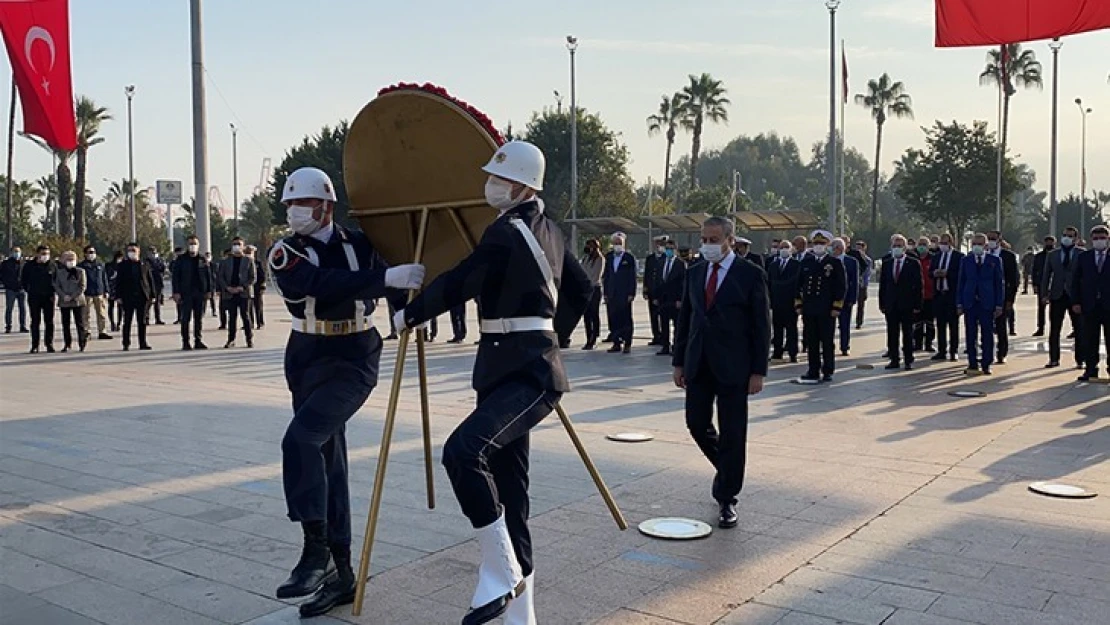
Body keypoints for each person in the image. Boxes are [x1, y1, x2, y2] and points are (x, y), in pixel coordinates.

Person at [393, 141, 591, 625]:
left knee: (463, 452)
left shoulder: (507, 232)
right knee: (513, 493)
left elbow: (463, 279)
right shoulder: (551, 231)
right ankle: (522, 618)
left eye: (499, 177)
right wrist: (552, 333)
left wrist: (411, 313)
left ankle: (500, 575)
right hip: (514, 368)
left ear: (523, 184)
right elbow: (584, 289)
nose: (491, 184)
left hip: (526, 374)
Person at [267, 167, 422, 617]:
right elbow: (323, 286)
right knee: (329, 461)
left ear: (326, 206)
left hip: (355, 356)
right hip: (309, 355)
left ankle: (314, 550)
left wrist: (407, 308)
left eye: (302, 204)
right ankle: (342, 572)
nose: (294, 213)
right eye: (290, 206)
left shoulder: (359, 243)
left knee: (302, 439)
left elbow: (395, 274)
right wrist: (388, 280)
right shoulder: (285, 252)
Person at [673, 215, 770, 529]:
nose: (708, 246)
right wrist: (678, 362)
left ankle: (727, 496)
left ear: (730, 240)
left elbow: (761, 326)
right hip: (698, 362)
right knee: (696, 424)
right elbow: (685, 320)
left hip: (734, 366)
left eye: (714, 240)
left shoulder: (750, 274)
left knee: (733, 432)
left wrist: (758, 371)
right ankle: (728, 469)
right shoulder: (695, 272)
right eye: (704, 239)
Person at [794, 230, 845, 383]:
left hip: (827, 309)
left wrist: (837, 307)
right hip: (809, 308)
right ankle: (813, 369)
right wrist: (798, 304)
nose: (818, 246)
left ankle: (828, 370)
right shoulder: (806, 262)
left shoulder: (834, 263)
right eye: (816, 243)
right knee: (811, 340)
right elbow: (798, 285)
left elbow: (841, 286)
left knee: (827, 341)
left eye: (821, 244)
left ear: (827, 245)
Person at [957, 234, 1004, 375]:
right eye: (974, 244)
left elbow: (999, 284)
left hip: (987, 302)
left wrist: (999, 304)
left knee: (987, 334)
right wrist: (959, 302)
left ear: (985, 245)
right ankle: (972, 362)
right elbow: (961, 282)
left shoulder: (994, 260)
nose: (976, 246)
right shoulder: (966, 260)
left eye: (979, 244)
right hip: (970, 302)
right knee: (970, 334)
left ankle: (986, 363)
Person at [1041, 226, 1084, 369]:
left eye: (1070, 236)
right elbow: (1046, 275)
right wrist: (1044, 294)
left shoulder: (1082, 254)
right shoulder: (1053, 254)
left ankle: (1080, 359)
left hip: (1075, 296)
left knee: (1079, 329)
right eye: (1065, 235)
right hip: (1057, 295)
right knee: (1054, 329)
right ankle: (1053, 359)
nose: (1067, 238)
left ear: (1076, 239)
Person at [879, 235, 923, 371]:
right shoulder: (887, 263)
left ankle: (908, 360)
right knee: (892, 333)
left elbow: (918, 285)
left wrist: (917, 305)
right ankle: (894, 359)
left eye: (899, 246)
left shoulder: (913, 263)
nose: (897, 248)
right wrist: (882, 303)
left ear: (905, 247)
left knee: (907, 333)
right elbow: (883, 285)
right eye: (894, 246)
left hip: (907, 304)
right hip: (891, 304)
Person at [1072, 225, 1110, 382]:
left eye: (1102, 238)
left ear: (1108, 239)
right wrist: (1076, 301)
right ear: (1090, 240)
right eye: (1096, 238)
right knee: (1090, 339)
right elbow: (1075, 281)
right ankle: (1090, 369)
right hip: (1089, 305)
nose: (1099, 241)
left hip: (1108, 305)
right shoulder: (1084, 257)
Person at [171, 235, 211, 350]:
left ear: (198, 245)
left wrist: (209, 290)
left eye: (195, 244)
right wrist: (176, 292)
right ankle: (185, 342)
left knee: (198, 318)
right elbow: (175, 277)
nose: (193, 246)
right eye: (190, 244)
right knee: (185, 318)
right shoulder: (181, 260)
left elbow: (208, 276)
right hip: (186, 293)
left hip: (200, 293)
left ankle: (198, 340)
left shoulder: (202, 259)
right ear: (187, 245)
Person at [218, 237, 256, 348]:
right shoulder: (225, 261)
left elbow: (253, 277)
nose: (236, 246)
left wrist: (242, 287)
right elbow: (220, 276)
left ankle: (249, 339)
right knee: (232, 317)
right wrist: (227, 288)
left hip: (243, 293)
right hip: (230, 293)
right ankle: (231, 339)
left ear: (243, 246)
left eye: (239, 244)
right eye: (234, 244)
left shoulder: (249, 260)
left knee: (246, 316)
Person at [602, 231, 637, 354]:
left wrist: (631, 293)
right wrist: (605, 293)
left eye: (620, 243)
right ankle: (616, 342)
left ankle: (627, 343)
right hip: (612, 293)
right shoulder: (609, 257)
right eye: (616, 243)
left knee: (626, 318)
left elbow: (632, 277)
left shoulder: (629, 258)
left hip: (624, 294)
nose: (617, 245)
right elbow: (606, 276)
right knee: (613, 318)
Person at [930, 233, 963, 362]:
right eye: (941, 243)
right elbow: (930, 272)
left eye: (945, 243)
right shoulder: (936, 256)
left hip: (952, 294)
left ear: (951, 243)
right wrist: (935, 273)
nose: (943, 245)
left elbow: (960, 274)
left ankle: (953, 351)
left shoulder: (958, 257)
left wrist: (947, 273)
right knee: (940, 324)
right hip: (939, 294)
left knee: (953, 324)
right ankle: (941, 350)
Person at [987, 230, 1019, 364]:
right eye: (989, 238)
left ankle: (1001, 353)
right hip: (985, 296)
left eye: (993, 239)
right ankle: (987, 352)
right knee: (986, 326)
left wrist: (1010, 299)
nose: (990, 241)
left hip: (1003, 297)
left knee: (1001, 326)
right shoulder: (983, 255)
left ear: (1000, 240)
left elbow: (1014, 279)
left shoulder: (1008, 256)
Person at [116, 243, 154, 351]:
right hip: (127, 297)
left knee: (142, 321)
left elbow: (150, 280)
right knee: (127, 321)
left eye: (134, 250)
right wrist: (118, 296)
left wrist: (153, 295)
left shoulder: (144, 264)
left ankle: (142, 343)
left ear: (138, 251)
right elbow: (119, 282)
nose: (132, 252)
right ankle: (126, 343)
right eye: (129, 250)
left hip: (142, 296)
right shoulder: (122, 265)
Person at [768, 240, 800, 362]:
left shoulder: (796, 265)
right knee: (777, 329)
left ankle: (793, 353)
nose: (783, 250)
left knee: (791, 329)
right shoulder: (773, 265)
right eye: (781, 247)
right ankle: (777, 352)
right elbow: (769, 283)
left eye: (786, 247)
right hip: (776, 303)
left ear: (791, 249)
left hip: (791, 302)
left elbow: (798, 284)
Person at [653, 239, 686, 356]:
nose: (669, 251)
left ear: (675, 250)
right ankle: (665, 346)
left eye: (671, 249)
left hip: (675, 299)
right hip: (663, 299)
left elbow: (683, 283)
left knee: (676, 325)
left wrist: (680, 299)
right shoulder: (661, 262)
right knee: (664, 323)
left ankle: (676, 347)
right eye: (667, 249)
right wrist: (656, 296)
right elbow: (657, 280)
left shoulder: (680, 264)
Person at [21, 245, 56, 353]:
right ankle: (35, 345)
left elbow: (57, 279)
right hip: (34, 296)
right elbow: (23, 280)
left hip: (49, 297)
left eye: (47, 254)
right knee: (35, 321)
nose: (45, 256)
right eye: (43, 254)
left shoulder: (52, 265)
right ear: (37, 254)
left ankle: (49, 344)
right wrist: (29, 290)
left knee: (49, 321)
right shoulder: (29, 266)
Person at [53, 251, 88, 352]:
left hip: (78, 301)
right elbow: (56, 285)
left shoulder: (80, 271)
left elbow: (82, 286)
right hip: (64, 301)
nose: (70, 262)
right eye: (68, 259)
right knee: (66, 324)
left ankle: (82, 342)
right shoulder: (60, 272)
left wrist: (72, 296)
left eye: (72, 259)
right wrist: (63, 295)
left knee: (80, 323)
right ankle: (67, 344)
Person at [831, 238, 858, 356]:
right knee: (829, 325)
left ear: (840, 248)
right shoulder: (829, 261)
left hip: (846, 299)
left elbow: (855, 281)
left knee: (844, 324)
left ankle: (844, 346)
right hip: (830, 299)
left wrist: (852, 298)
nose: (832, 250)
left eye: (834, 247)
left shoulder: (851, 262)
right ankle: (828, 346)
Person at [77, 245, 111, 341]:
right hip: (87, 293)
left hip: (99, 292)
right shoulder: (81, 266)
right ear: (85, 254)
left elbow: (104, 278)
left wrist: (106, 290)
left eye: (93, 252)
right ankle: (87, 332)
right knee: (85, 314)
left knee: (101, 313)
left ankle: (102, 331)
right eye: (90, 252)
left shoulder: (100, 264)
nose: (92, 254)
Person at [912, 237, 935, 353]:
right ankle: (917, 343)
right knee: (917, 322)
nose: (922, 246)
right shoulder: (912, 259)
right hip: (917, 296)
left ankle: (929, 343)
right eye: (920, 244)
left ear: (929, 246)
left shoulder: (933, 259)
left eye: (924, 244)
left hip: (930, 295)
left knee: (930, 322)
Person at [643, 235, 668, 347]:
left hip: (662, 292)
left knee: (663, 316)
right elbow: (647, 275)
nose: (659, 246)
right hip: (652, 291)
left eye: (661, 244)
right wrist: (645, 289)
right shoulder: (650, 258)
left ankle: (664, 337)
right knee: (653, 316)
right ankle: (656, 336)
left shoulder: (666, 258)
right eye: (657, 244)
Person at [580, 238, 604, 350]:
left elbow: (596, 275)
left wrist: (588, 284)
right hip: (585, 289)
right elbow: (582, 271)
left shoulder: (600, 259)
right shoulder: (585, 258)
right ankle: (588, 337)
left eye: (589, 246)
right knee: (586, 315)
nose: (587, 248)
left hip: (594, 289)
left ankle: (594, 337)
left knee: (594, 313)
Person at [1, 246, 27, 333]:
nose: (17, 253)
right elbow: (2, 275)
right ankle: (8, 326)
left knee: (22, 309)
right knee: (9, 308)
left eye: (18, 251)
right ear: (11, 253)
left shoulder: (23, 263)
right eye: (15, 252)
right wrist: (6, 284)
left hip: (21, 289)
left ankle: (22, 326)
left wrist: (25, 285)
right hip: (10, 289)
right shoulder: (6, 263)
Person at [1031, 236, 1053, 336]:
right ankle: (1041, 328)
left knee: (1056, 308)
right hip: (1041, 284)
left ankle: (1054, 328)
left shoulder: (1056, 255)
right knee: (1041, 308)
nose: (1049, 244)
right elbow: (1034, 270)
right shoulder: (1039, 256)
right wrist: (1035, 284)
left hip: (1055, 285)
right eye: (1047, 242)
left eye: (1051, 242)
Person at [851, 240, 873, 329]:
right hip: (852, 284)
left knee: (861, 304)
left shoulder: (868, 260)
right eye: (857, 248)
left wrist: (864, 283)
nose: (858, 249)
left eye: (860, 247)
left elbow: (867, 273)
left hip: (862, 285)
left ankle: (859, 322)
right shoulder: (852, 258)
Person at [247, 245, 267, 330]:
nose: (249, 253)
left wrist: (262, 286)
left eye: (250, 252)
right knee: (248, 307)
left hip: (257, 288)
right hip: (248, 288)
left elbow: (262, 275)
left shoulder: (258, 263)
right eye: (247, 252)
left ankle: (260, 322)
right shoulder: (244, 262)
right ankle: (249, 323)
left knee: (258, 306)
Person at [146, 246, 167, 325]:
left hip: (158, 283)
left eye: (154, 252)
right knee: (148, 302)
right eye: (151, 253)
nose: (153, 254)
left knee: (157, 302)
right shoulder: (146, 261)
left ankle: (158, 319)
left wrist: (158, 260)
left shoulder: (159, 260)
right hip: (149, 284)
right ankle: (146, 319)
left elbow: (162, 268)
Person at [105, 251, 124, 332]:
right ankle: (113, 323)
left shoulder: (123, 265)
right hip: (112, 287)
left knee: (120, 306)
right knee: (111, 306)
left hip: (119, 287)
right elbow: (106, 276)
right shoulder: (109, 265)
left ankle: (118, 323)